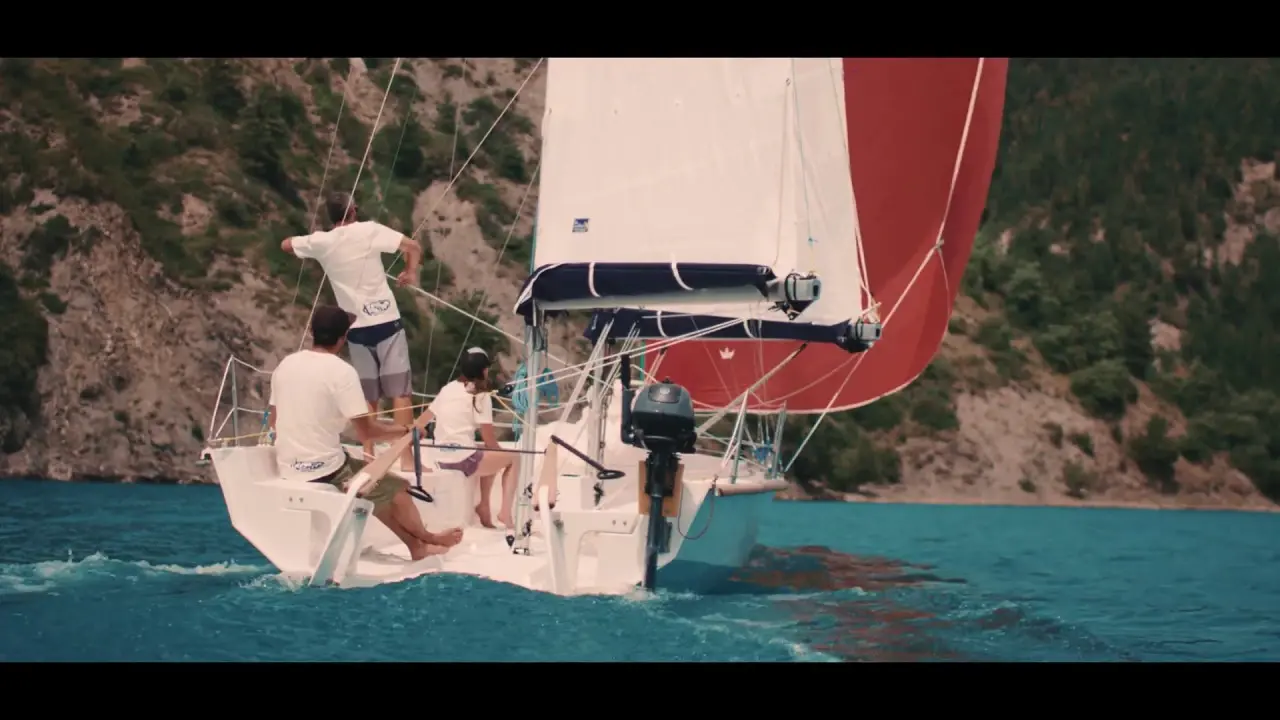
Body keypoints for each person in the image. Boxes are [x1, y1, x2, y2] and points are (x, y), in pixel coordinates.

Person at [268, 305, 462, 560]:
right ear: (343, 338)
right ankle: (428, 539)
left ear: (312, 332)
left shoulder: (286, 364)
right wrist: (407, 430)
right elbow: (368, 433)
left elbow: (274, 421)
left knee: (374, 487)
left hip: (288, 466)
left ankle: (416, 546)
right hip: (327, 469)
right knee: (398, 488)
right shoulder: (342, 372)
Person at [280, 191, 424, 472]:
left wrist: (311, 241)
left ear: (331, 216)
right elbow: (413, 246)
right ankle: (406, 460)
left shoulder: (322, 242)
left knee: (369, 396)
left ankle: (369, 455)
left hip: (355, 328)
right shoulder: (370, 230)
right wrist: (410, 272)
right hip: (387, 321)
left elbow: (285, 244)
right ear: (354, 210)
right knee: (400, 393)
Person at [427, 348, 520, 529]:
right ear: (483, 370)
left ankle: (484, 506)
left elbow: (424, 419)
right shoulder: (481, 395)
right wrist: (502, 454)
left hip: (440, 457)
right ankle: (505, 513)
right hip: (462, 460)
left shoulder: (447, 389)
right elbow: (489, 440)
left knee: (488, 452)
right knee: (514, 458)